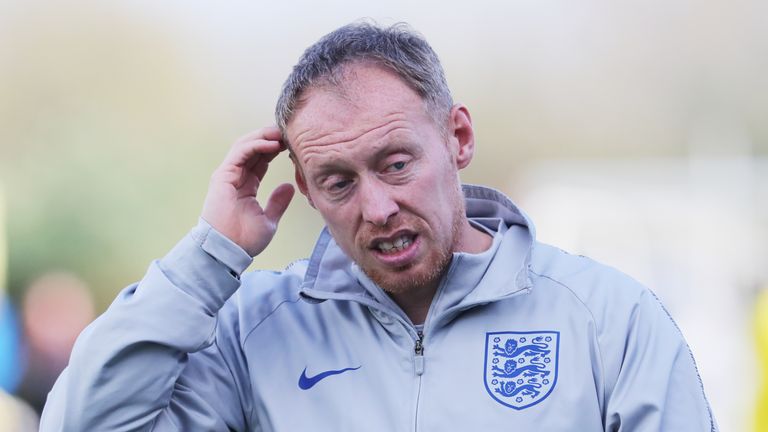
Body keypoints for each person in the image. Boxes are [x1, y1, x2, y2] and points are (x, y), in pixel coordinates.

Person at [40, 22, 717, 431]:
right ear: (304, 189)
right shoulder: (254, 332)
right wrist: (206, 259)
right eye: (338, 182)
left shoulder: (607, 319)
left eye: (395, 164)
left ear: (457, 137)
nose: (377, 208)